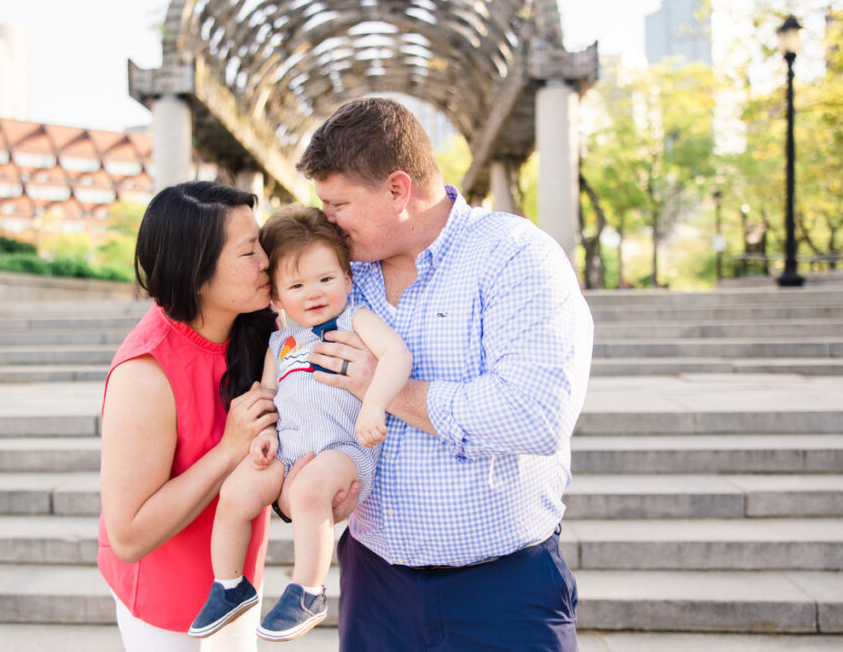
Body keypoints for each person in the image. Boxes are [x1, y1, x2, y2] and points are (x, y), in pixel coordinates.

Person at [288, 97, 594, 651]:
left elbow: (533, 415)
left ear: (398, 190)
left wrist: (386, 389)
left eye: (339, 204)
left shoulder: (516, 256)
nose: (326, 220)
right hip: (373, 583)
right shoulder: (334, 276)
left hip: (504, 593)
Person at [189, 204, 412, 643]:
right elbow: (270, 399)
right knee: (235, 490)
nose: (313, 292)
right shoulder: (280, 341)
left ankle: (309, 591)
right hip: (289, 448)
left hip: (342, 450)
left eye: (326, 279)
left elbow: (397, 356)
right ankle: (230, 586)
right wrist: (266, 436)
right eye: (296, 284)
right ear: (276, 298)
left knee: (309, 490)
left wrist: (374, 404)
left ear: (348, 279)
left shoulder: (356, 320)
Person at [97, 181, 279, 652]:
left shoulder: (258, 329)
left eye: (261, 243)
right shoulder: (145, 372)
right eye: (248, 253)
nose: (266, 261)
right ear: (197, 272)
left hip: (237, 584)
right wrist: (230, 449)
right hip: (168, 611)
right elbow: (130, 535)